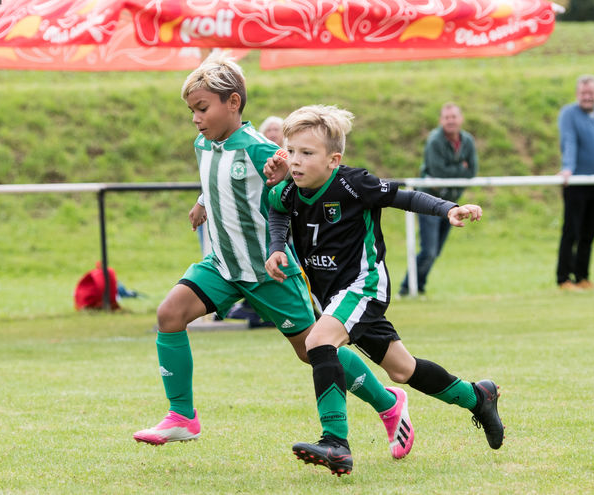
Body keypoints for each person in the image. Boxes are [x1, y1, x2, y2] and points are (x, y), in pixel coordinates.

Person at [133, 54, 415, 466]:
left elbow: (291, 180)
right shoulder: (203, 144)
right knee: (170, 313)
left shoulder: (260, 149)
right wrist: (203, 203)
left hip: (269, 272)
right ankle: (182, 416)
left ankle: (388, 402)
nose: (195, 118)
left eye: (202, 108)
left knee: (312, 350)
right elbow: (222, 182)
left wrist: (284, 168)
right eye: (192, 110)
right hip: (223, 266)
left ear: (233, 102)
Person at [264, 104, 503, 476]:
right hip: (335, 296)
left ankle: (335, 442)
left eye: (307, 153)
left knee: (317, 342)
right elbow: (275, 207)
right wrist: (277, 246)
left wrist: (448, 209)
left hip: (364, 286)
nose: (295, 161)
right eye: (291, 151)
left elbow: (405, 197)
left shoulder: (351, 183)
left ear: (333, 159)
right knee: (403, 371)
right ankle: (479, 397)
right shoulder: (291, 190)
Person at [399, 102, 478, 296]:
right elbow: (438, 170)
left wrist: (459, 172)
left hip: (451, 203)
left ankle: (419, 286)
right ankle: (407, 288)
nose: (450, 121)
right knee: (429, 250)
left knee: (436, 251)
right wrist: (462, 169)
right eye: (446, 117)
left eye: (454, 117)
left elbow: (473, 170)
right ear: (441, 121)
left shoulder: (467, 140)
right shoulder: (435, 140)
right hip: (430, 201)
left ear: (461, 119)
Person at [556, 74, 594, 290]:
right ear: (577, 95)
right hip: (576, 184)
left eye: (590, 93)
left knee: (589, 233)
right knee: (571, 231)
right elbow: (569, 142)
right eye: (583, 93)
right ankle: (564, 278)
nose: (587, 97)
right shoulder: (569, 114)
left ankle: (582, 277)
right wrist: (568, 169)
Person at [224, 115, 285, 328]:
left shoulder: (269, 152)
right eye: (270, 129)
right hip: (247, 237)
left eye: (278, 129)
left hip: (274, 232)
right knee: (171, 313)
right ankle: (249, 308)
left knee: (311, 339)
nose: (274, 133)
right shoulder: (244, 151)